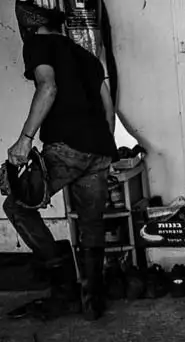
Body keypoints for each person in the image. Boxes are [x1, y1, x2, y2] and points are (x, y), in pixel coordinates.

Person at [5, 3, 117, 320]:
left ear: (29, 27)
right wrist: (101, 148)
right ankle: (92, 302)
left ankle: (65, 287)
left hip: (68, 146)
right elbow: (108, 108)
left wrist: (25, 139)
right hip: (100, 148)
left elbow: (48, 86)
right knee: (91, 221)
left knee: (16, 206)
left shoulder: (38, 45)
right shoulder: (87, 56)